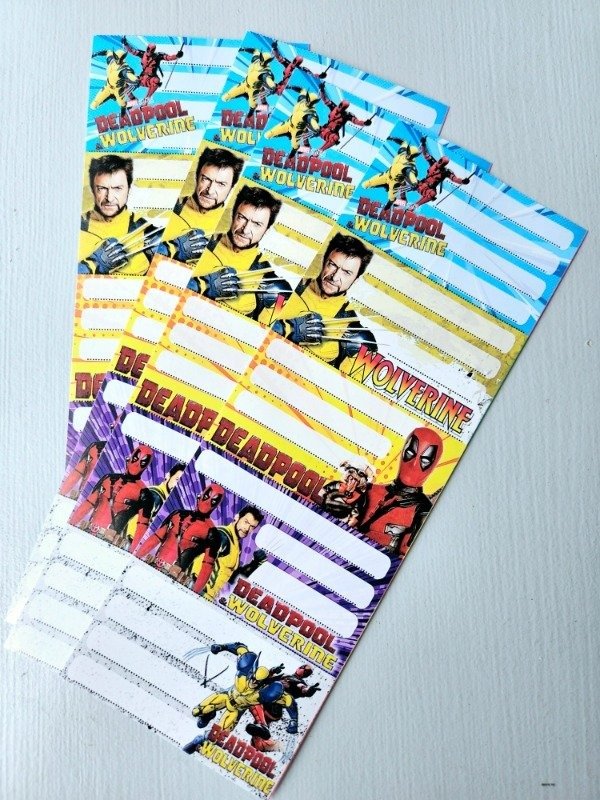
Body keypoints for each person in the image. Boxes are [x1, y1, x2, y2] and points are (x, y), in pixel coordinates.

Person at [270, 232, 376, 370]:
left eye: (346, 272)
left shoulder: (352, 331)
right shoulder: (286, 288)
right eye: (332, 265)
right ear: (324, 261)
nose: (335, 277)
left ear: (355, 280)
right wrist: (285, 329)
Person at [187, 185, 292, 322]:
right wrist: (202, 285)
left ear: (266, 230)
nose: (245, 229)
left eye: (257, 224)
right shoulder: (196, 242)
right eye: (242, 218)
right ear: (233, 215)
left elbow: (266, 332)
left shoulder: (276, 290)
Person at [182, 642, 296, 754]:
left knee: (215, 736)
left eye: (258, 682)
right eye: (254, 678)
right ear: (252, 673)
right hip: (225, 696)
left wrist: (293, 720)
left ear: (263, 683)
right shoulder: (245, 671)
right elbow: (241, 648)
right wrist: (222, 647)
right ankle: (207, 715)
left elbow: (288, 700)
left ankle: (199, 740)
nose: (254, 682)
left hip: (235, 710)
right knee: (196, 711)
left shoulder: (261, 694)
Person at [357, 427, 443, 557]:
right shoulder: (370, 490)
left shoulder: (423, 510)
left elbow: (406, 556)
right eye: (410, 452)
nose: (414, 464)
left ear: (432, 464)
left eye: (424, 460)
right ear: (403, 451)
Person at [157, 147, 244, 265]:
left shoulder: (233, 232)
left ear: (231, 187)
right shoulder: (166, 207)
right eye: (206, 179)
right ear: (197, 176)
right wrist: (171, 248)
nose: (210, 190)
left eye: (221, 184)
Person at [78, 155, 161, 276]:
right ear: (92, 189)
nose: (109, 198)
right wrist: (93, 264)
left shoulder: (147, 232)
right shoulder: (74, 228)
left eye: (117, 188)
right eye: (102, 188)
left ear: (129, 189)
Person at [134, 483, 225, 580]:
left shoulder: (212, 533)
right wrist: (135, 558)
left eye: (213, 501)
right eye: (207, 496)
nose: (207, 502)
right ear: (201, 495)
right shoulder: (177, 514)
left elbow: (206, 568)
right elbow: (155, 538)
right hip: (153, 566)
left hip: (173, 578)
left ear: (217, 505)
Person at [69, 445, 153, 545]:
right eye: (135, 458)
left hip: (109, 542)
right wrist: (69, 525)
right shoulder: (108, 478)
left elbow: (141, 528)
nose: (137, 465)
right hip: (87, 532)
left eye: (143, 462)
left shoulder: (145, 494)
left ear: (146, 466)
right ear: (130, 457)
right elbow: (88, 504)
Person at [193, 506, 264, 599]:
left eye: (252, 527)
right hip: (197, 593)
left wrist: (254, 564)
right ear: (237, 517)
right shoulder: (222, 536)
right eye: (246, 522)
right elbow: (196, 563)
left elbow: (231, 578)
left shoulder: (236, 546)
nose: (247, 528)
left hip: (207, 597)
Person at [126, 462, 186, 551]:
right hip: (134, 544)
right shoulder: (156, 496)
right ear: (168, 476)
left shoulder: (166, 500)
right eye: (177, 479)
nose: (177, 485)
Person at [121, 37, 183, 105]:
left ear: (153, 51)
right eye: (148, 49)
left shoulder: (158, 56)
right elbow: (132, 51)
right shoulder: (142, 54)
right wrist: (126, 44)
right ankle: (132, 99)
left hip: (150, 79)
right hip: (141, 78)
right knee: (124, 82)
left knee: (156, 81)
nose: (149, 52)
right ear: (147, 48)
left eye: (151, 50)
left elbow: (169, 58)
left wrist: (177, 56)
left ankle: (146, 100)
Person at [362, 136, 421, 209]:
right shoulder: (402, 152)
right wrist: (391, 138)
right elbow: (403, 142)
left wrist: (414, 183)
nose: (408, 155)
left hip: (395, 182)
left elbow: (411, 174)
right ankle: (385, 186)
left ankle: (394, 202)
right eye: (408, 152)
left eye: (411, 155)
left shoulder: (409, 166)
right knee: (365, 184)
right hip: (386, 175)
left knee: (391, 199)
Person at [413, 136, 471, 207]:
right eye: (440, 161)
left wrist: (462, 181)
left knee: (433, 194)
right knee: (410, 176)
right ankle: (401, 198)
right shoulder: (433, 162)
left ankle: (416, 205)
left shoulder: (446, 172)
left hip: (429, 189)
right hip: (420, 184)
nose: (440, 163)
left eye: (442, 163)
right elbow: (425, 153)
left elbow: (455, 179)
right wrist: (423, 144)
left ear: (444, 164)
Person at [263, 85, 321, 156]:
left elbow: (313, 122)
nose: (308, 102)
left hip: (296, 130)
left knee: (295, 146)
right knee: (267, 135)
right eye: (308, 99)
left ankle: (293, 154)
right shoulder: (302, 100)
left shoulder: (311, 113)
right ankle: (287, 134)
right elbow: (302, 90)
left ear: (313, 103)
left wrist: (316, 129)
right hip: (288, 123)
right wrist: (290, 87)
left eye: (311, 102)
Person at [316, 84, 372, 154]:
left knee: (335, 138)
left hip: (331, 134)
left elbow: (356, 121)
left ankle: (320, 150)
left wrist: (364, 123)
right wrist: (322, 90)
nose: (340, 108)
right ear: (339, 104)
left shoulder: (347, 115)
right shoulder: (333, 107)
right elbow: (324, 99)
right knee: (311, 124)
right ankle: (305, 144)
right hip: (323, 129)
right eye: (340, 105)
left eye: (343, 107)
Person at [222, 49, 277, 113]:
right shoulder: (256, 60)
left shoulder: (265, 72)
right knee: (225, 98)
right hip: (244, 84)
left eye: (262, 59)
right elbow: (255, 51)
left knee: (254, 106)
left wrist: (272, 87)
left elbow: (268, 80)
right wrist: (243, 49)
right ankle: (246, 96)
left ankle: (263, 110)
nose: (260, 60)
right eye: (261, 57)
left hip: (253, 90)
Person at [90, 49, 137, 120]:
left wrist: (135, 80)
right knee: (93, 106)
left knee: (122, 104)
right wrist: (95, 54)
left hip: (118, 90)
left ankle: (124, 115)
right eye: (116, 57)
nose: (117, 60)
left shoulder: (124, 68)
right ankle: (111, 96)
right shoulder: (110, 60)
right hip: (107, 87)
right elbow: (107, 52)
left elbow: (129, 74)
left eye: (120, 59)